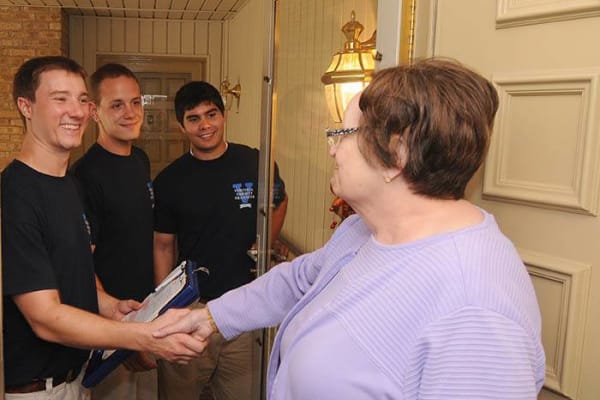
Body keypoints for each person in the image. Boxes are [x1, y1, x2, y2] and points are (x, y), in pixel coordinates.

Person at [154, 58, 546, 399]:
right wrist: (206, 318)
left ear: (397, 154)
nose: (331, 148)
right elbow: (297, 280)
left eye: (343, 133)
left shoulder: (476, 312)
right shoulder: (363, 230)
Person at [1, 56, 205, 400]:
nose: (77, 111)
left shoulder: (67, 184)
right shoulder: (15, 194)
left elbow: (75, 270)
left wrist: (110, 305)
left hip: (79, 377)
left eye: (81, 99)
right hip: (38, 390)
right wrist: (141, 337)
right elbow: (44, 317)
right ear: (26, 106)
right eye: (60, 98)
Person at [152, 80, 288, 400]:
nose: (205, 125)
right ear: (181, 126)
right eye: (194, 118)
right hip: (190, 307)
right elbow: (163, 245)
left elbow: (278, 200)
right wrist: (165, 307)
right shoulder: (170, 180)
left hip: (244, 307)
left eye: (211, 114)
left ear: (224, 115)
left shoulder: (255, 162)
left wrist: (265, 241)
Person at [71, 63, 157, 400]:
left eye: (135, 102)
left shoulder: (141, 160)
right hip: (110, 327)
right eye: (117, 105)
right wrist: (121, 333)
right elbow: (83, 265)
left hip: (145, 315)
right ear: (94, 112)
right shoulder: (84, 175)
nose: (130, 113)